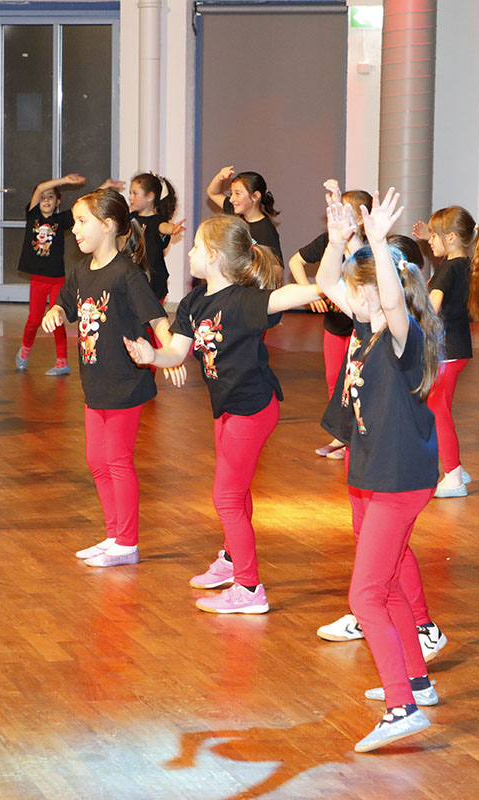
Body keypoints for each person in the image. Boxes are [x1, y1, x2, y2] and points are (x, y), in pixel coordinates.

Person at [124, 214, 322, 613]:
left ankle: (249, 589)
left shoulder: (245, 301)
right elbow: (176, 352)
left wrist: (330, 281)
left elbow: (288, 296)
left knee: (226, 497)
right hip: (226, 408)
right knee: (236, 491)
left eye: (196, 246)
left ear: (214, 256)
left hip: (253, 409)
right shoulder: (195, 302)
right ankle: (232, 560)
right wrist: (152, 356)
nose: (190, 253)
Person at [316, 190, 444, 753]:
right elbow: (326, 282)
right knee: (386, 584)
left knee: (365, 596)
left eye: (355, 289)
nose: (343, 295)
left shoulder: (400, 338)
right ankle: (416, 681)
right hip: (376, 474)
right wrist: (338, 240)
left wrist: (375, 242)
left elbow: (392, 301)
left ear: (370, 292)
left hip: (397, 480)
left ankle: (402, 707)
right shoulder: (364, 327)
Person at [41, 189, 175, 567]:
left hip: (125, 381)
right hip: (95, 381)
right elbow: (65, 303)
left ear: (108, 225)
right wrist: (55, 312)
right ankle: (114, 534)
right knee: (96, 461)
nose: (74, 229)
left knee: (118, 461)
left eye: (82, 221)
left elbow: (157, 319)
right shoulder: (82, 271)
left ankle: (127, 543)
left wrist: (169, 352)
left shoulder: (127, 275)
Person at [411, 206, 479, 497]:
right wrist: (430, 234)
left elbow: (432, 308)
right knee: (439, 409)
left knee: (438, 413)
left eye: (434, 237)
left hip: (445, 350)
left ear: (451, 237)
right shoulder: (462, 263)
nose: (429, 242)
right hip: (456, 348)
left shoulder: (447, 270)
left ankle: (453, 476)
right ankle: (456, 468)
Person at [289, 181, 370, 460]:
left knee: (359, 382)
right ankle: (341, 434)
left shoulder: (370, 247)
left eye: (345, 211)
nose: (337, 216)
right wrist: (309, 292)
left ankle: (357, 436)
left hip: (362, 328)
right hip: (336, 325)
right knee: (335, 380)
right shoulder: (328, 239)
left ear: (361, 218)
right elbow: (296, 262)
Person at [15, 174, 123, 375]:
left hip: (56, 278)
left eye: (51, 197)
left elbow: (87, 206)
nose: (46, 200)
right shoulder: (33, 216)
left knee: (57, 319)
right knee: (34, 319)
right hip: (38, 279)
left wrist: (104, 187)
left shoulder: (61, 220)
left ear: (58, 201)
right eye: (43, 198)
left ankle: (62, 361)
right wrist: (64, 181)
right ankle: (25, 350)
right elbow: (39, 188)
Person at [127, 172, 186, 301]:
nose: (130, 197)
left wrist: (172, 229)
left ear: (149, 196)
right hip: (134, 275)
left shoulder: (157, 221)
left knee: (150, 310)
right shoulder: (131, 218)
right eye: (130, 193)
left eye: (135, 193)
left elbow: (164, 227)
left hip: (153, 280)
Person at [206, 166, 282, 263]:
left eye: (237, 194)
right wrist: (220, 177)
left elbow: (276, 267)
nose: (231, 199)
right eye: (231, 193)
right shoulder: (235, 213)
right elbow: (213, 193)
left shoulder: (266, 230)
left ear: (255, 196)